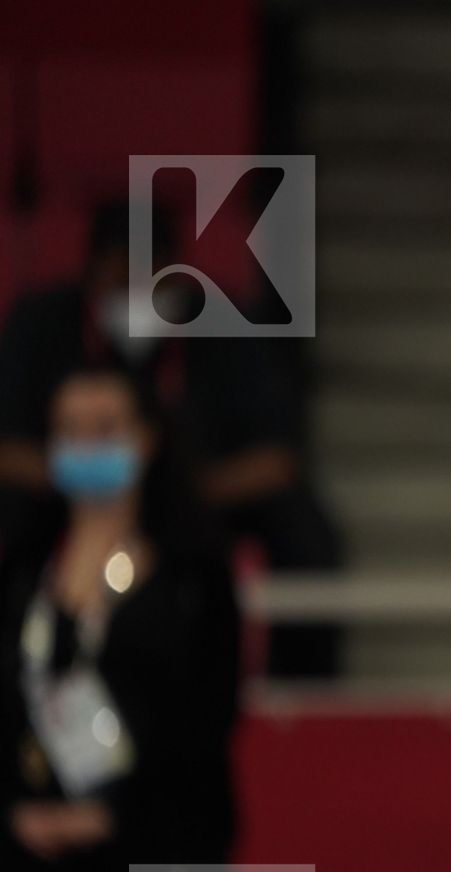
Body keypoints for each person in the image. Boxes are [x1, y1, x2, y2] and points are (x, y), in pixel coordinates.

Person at [0, 201, 343, 677]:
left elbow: (278, 458)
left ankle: (302, 689)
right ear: (92, 275)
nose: (136, 293)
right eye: (122, 280)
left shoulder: (227, 325)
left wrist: (176, 490)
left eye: (151, 280)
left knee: (305, 534)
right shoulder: (40, 325)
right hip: (67, 498)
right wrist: (75, 474)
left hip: (196, 504)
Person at [0, 368, 240, 872]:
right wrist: (19, 815)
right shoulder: (23, 574)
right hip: (29, 862)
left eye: (105, 427)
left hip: (150, 861)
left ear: (146, 437)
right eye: (70, 430)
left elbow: (208, 720)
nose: (86, 444)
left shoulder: (193, 576)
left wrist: (113, 818)